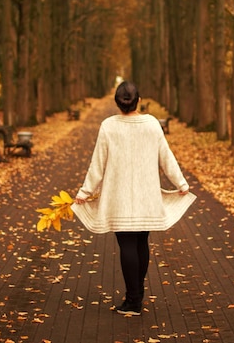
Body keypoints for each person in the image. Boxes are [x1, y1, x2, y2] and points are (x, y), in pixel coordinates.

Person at [72, 81, 196, 316]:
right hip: (146, 196)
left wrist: (84, 192)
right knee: (141, 243)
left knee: (127, 244)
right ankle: (136, 295)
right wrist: (181, 183)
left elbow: (97, 165)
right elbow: (166, 157)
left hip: (119, 198)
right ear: (139, 101)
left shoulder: (108, 126)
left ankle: (133, 301)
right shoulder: (151, 124)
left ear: (117, 103)